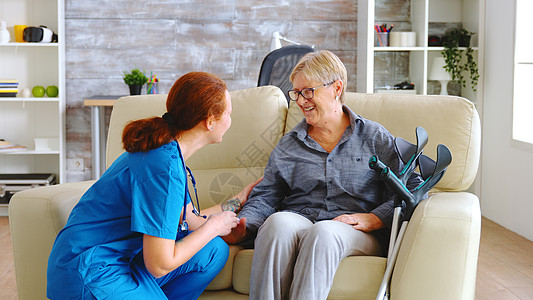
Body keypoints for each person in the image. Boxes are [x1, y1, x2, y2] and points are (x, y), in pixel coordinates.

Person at [223, 50, 424, 300]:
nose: (300, 101)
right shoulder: (289, 145)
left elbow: (412, 185)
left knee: (324, 233)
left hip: (357, 232)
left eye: (308, 91)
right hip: (301, 218)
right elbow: (266, 196)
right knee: (277, 223)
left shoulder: (373, 137)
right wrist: (245, 225)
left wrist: (374, 218)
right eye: (296, 93)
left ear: (336, 88)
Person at [47, 72, 261, 299]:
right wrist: (213, 228)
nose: (230, 119)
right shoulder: (164, 169)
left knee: (214, 251)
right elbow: (159, 265)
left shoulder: (168, 153)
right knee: (208, 240)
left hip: (121, 259)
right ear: (209, 121)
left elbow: (189, 218)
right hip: (91, 268)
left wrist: (237, 200)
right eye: (228, 113)